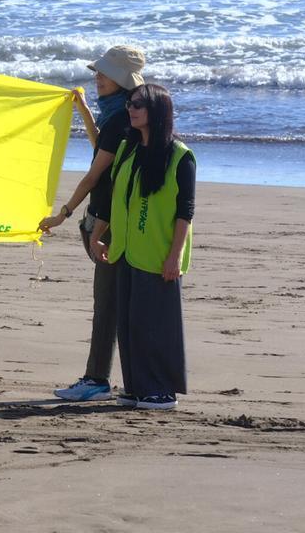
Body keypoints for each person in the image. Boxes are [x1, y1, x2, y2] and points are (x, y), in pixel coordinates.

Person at [39, 45, 146, 402]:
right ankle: (128, 381)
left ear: (120, 80)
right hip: (119, 221)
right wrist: (85, 112)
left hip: (107, 224)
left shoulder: (120, 118)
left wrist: (62, 214)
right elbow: (104, 148)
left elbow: (94, 175)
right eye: (98, 72)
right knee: (119, 304)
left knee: (108, 306)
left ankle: (97, 379)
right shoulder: (130, 114)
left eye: (104, 73)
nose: (97, 78)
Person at [89, 83, 195, 410]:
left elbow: (184, 211)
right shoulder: (128, 151)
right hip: (125, 251)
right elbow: (111, 200)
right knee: (130, 324)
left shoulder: (180, 156)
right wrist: (97, 234)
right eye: (130, 104)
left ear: (157, 111)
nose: (131, 109)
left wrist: (174, 256)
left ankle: (161, 391)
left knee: (156, 325)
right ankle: (137, 387)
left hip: (158, 255)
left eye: (138, 104)